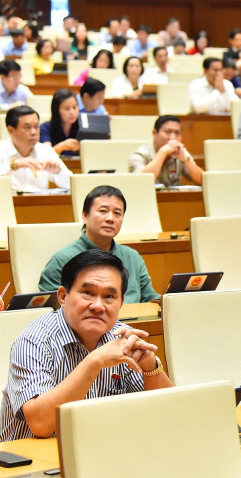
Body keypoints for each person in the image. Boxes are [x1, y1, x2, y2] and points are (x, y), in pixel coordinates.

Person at [1, 249, 172, 441]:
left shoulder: (123, 336)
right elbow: (40, 424)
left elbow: (170, 413)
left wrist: (149, 364)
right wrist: (95, 361)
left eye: (109, 296)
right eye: (87, 293)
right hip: (29, 462)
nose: (98, 306)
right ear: (63, 296)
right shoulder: (33, 341)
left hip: (97, 449)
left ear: (121, 302)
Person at [38, 185, 160, 300]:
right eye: (103, 211)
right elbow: (53, 307)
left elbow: (150, 298)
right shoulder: (62, 259)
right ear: (85, 216)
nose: (110, 219)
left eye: (117, 213)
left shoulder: (133, 257)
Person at [0, 106, 71, 192]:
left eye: (36, 127)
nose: (34, 132)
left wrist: (58, 171)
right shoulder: (2, 149)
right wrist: (12, 166)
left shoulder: (45, 150)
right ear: (11, 130)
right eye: (27, 127)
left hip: (39, 204)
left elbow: (72, 185)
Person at [128, 115, 202, 186]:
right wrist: (162, 153)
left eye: (177, 133)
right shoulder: (139, 154)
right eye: (168, 132)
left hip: (173, 198)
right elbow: (140, 182)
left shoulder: (181, 152)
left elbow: (202, 180)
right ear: (154, 133)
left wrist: (186, 160)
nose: (173, 137)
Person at [39, 88, 80, 155]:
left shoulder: (83, 127)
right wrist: (62, 146)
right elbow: (45, 154)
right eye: (67, 109)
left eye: (74, 107)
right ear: (56, 110)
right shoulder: (45, 128)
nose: (72, 112)